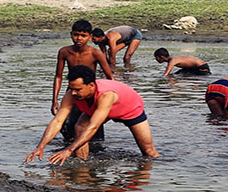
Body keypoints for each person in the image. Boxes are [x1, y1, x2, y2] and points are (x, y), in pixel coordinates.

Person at [26, 65, 160, 165]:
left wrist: (69, 149)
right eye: (71, 88)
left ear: (91, 85)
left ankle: (153, 173)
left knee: (148, 151)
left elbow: (94, 127)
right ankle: (82, 164)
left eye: (77, 89)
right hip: (98, 109)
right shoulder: (72, 94)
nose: (73, 93)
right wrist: (40, 147)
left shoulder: (106, 95)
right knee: (79, 127)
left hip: (129, 109)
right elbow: (57, 121)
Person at [53, 20, 114, 141]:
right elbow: (58, 76)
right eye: (76, 35)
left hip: (91, 92)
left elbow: (110, 77)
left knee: (93, 124)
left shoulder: (95, 53)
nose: (79, 38)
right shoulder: (64, 52)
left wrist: (108, 101)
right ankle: (71, 149)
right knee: (66, 125)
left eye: (83, 35)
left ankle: (96, 150)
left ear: (90, 37)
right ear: (71, 34)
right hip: (72, 91)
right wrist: (54, 100)